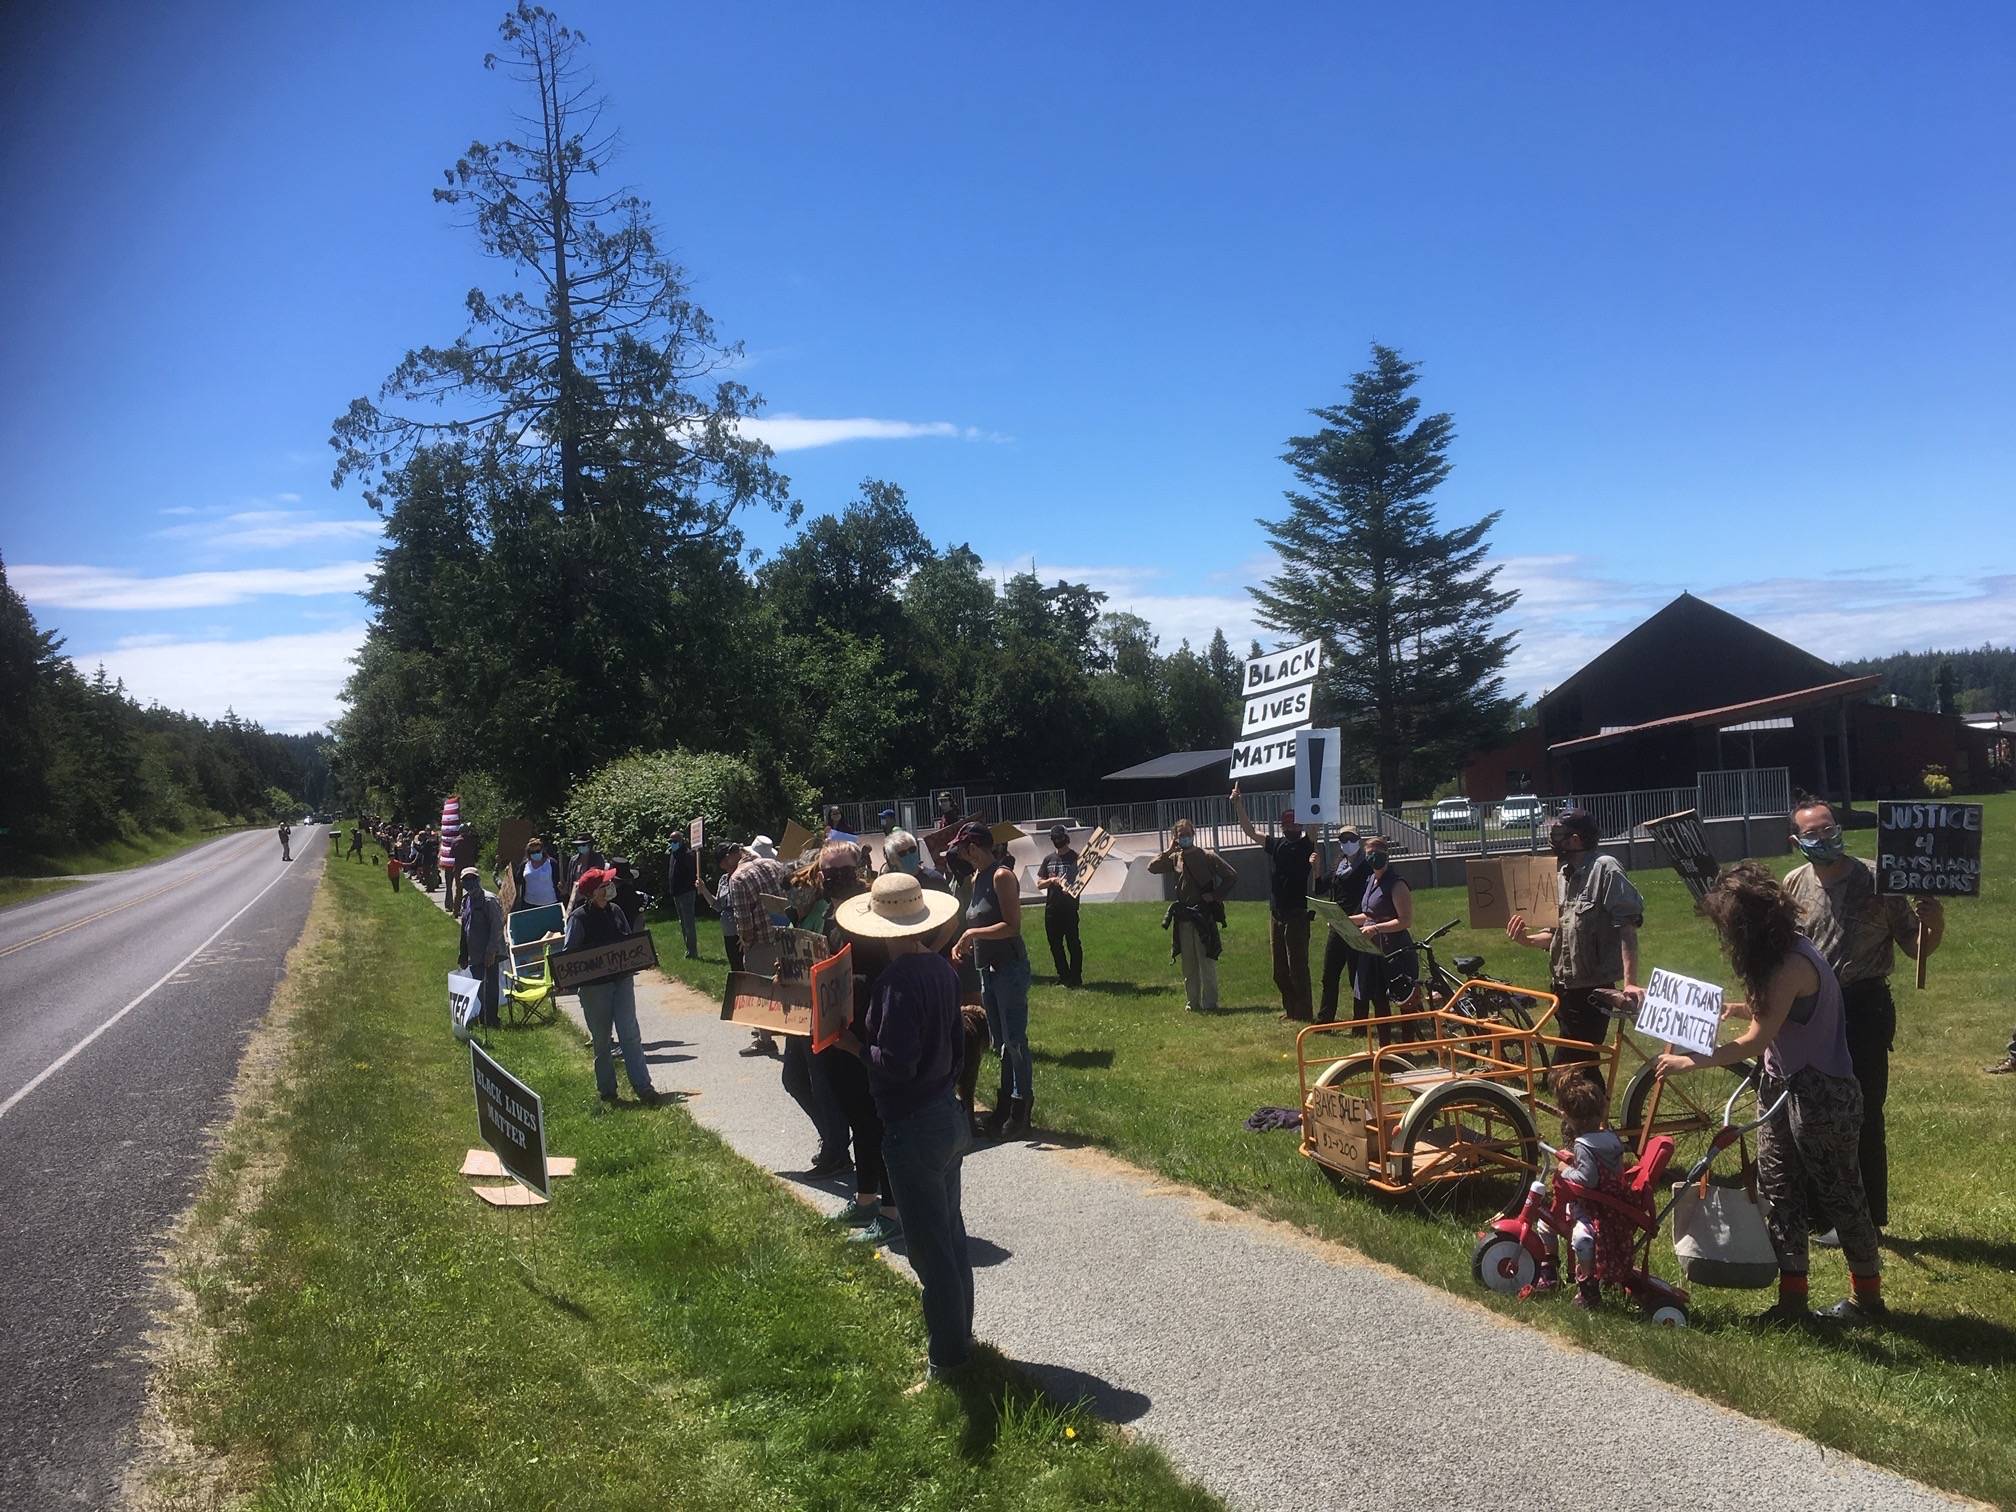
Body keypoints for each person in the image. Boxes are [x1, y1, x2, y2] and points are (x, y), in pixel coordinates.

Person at [1643, 863, 1884, 1325]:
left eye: (1728, 927)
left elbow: (1755, 1040)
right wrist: (1718, 1009)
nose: (1725, 938)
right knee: (1779, 1190)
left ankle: (1867, 1298)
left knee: (1840, 1193)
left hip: (1820, 1094)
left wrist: (1688, 1061)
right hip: (1780, 1085)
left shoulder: (1792, 964)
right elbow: (1766, 1015)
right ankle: (1792, 1301)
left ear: (1749, 924)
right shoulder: (1780, 955)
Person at [833, 872, 974, 1381]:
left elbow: (896, 1062)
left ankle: (949, 1361)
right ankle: (961, 1337)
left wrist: (852, 1045)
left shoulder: (895, 982)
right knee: (951, 1236)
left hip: (912, 1124)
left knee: (929, 1250)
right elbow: (956, 1044)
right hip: (948, 1114)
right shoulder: (941, 969)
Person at [1781, 797, 1942, 1236]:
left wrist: (1935, 921)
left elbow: (1915, 947)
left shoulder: (1878, 879)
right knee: (1810, 1114)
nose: (1824, 838)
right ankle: (1820, 1215)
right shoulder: (1793, 886)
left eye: (1829, 828)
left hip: (1863, 1008)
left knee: (1864, 1114)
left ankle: (1869, 1218)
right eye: (1813, 833)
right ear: (1797, 841)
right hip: (1810, 1013)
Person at [1505, 807, 1643, 1083]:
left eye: (1558, 834)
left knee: (1567, 1072)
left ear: (1576, 839)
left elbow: (1626, 927)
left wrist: (1630, 983)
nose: (1552, 840)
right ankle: (1595, 1123)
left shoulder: (1605, 869)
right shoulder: (1561, 876)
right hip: (1563, 990)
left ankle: (1590, 1123)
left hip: (1593, 990)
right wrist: (1526, 940)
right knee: (1582, 1070)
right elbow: (1554, 934)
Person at [947, 821, 1033, 1138]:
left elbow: (1012, 925)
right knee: (999, 1043)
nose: (961, 854)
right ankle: (1005, 1107)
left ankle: (1021, 1107)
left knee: (1015, 1041)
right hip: (989, 969)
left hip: (1010, 967)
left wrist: (970, 934)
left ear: (974, 847)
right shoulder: (977, 877)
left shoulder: (1001, 876)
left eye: (963, 848)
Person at [564, 867, 659, 1105]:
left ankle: (643, 1087)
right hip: (595, 989)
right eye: (604, 884)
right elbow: (569, 956)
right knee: (602, 1040)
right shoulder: (578, 919)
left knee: (630, 1033)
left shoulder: (616, 910)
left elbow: (627, 941)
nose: (609, 886)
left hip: (622, 982)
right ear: (593, 892)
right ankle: (608, 1091)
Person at [1232, 784, 1318, 1021]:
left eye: (1295, 824)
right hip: (1276, 914)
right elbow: (1249, 831)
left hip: (1297, 914)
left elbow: (1315, 825)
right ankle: (1291, 1010)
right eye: (1288, 824)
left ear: (1300, 826)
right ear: (1282, 826)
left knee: (1298, 967)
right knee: (1279, 971)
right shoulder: (1275, 844)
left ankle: (1304, 1013)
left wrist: (1312, 796)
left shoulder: (1306, 844)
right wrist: (1238, 803)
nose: (1292, 827)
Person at [1543, 1068, 1627, 1308]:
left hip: (1595, 1207)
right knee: (1546, 1221)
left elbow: (1587, 1180)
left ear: (1568, 1117)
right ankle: (1550, 1270)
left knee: (1580, 1237)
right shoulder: (1611, 1137)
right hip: (1611, 1200)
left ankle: (1587, 1287)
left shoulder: (1583, 1145)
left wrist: (1564, 1170)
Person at [1148, 817, 1239, 1013]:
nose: (1185, 838)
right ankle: (1193, 1003)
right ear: (1175, 838)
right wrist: (1169, 851)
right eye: (1181, 836)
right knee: (1188, 964)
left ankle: (1210, 1003)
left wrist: (1215, 895)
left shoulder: (1207, 857)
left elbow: (1231, 875)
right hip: (1183, 918)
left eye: (1188, 834)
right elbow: (1152, 867)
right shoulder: (1175, 858)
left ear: (1194, 834)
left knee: (1206, 961)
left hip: (1203, 916)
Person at [1349, 835, 1417, 1044]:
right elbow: (1369, 914)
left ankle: (1407, 1044)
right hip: (1373, 951)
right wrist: (1345, 920)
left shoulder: (1397, 884)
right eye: (1368, 854)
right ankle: (1384, 1045)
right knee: (1378, 998)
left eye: (1376, 854)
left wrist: (1376, 929)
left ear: (1386, 855)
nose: (1372, 858)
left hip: (1396, 950)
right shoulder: (1371, 880)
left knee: (1404, 999)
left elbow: (1405, 920)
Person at [1318, 827, 1372, 1024]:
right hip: (1337, 926)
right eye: (1344, 839)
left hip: (1357, 926)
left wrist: (1356, 918)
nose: (1348, 842)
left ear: (1358, 840)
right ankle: (1325, 1020)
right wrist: (1315, 867)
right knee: (1329, 975)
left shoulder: (1366, 867)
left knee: (1356, 978)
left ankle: (1360, 1022)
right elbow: (1319, 887)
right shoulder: (1338, 866)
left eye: (1351, 838)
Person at [1034, 825, 1084, 987]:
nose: (1057, 841)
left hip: (1069, 908)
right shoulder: (1048, 859)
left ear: (1065, 838)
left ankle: (1076, 977)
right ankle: (1064, 975)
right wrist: (1052, 881)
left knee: (1073, 943)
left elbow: (1082, 880)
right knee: (1055, 944)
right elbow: (1039, 883)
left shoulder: (1076, 858)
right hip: (1052, 908)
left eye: (1059, 838)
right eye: (1054, 839)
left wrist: (1070, 888)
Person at [456, 866, 505, 1030]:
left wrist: (491, 952)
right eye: (466, 880)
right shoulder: (466, 900)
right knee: (479, 986)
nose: (469, 883)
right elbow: (464, 928)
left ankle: (492, 1021)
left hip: (489, 952)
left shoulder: (489, 900)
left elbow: (497, 927)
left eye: (472, 879)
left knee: (490, 988)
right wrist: (463, 953)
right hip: (474, 953)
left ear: (478, 880)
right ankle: (485, 1018)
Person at [708, 843, 746, 974]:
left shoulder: (742, 876)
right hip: (728, 930)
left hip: (742, 928)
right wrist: (704, 890)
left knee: (746, 964)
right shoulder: (723, 880)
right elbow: (718, 906)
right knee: (735, 964)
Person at [666, 828, 701, 958]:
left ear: (681, 841)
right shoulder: (673, 854)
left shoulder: (687, 854)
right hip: (677, 893)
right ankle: (688, 949)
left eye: (674, 841)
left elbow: (691, 873)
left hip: (686, 892)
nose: (672, 843)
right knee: (682, 922)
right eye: (670, 841)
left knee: (688, 922)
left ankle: (693, 951)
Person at [512, 836, 563, 915]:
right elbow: (518, 880)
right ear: (528, 853)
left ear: (542, 850)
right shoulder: (525, 864)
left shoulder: (551, 863)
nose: (535, 853)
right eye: (532, 852)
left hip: (550, 903)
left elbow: (558, 880)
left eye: (537, 851)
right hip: (529, 904)